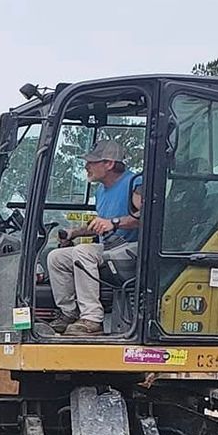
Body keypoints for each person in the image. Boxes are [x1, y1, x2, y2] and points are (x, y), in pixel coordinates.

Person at [46, 139, 142, 336]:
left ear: (109, 164)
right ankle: (69, 312)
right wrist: (74, 233)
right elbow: (101, 224)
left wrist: (114, 223)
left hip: (134, 247)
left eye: (92, 162)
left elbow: (147, 217)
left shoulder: (135, 183)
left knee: (84, 252)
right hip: (110, 248)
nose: (86, 166)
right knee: (56, 257)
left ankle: (92, 319)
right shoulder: (101, 191)